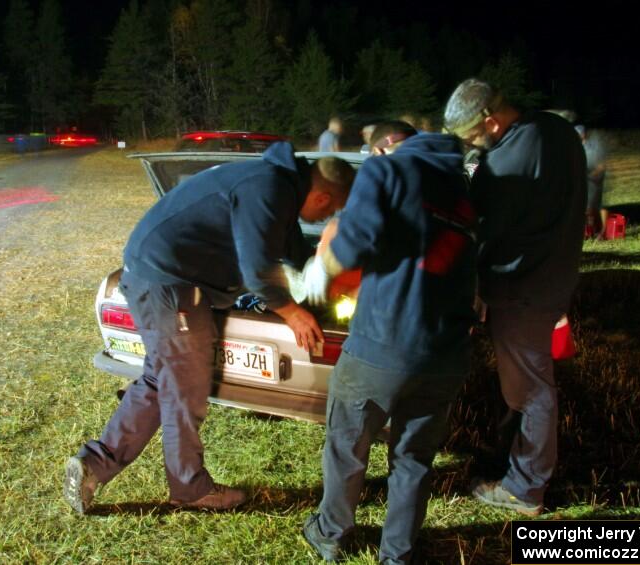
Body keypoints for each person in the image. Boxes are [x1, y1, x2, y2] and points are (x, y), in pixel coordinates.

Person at [63, 142, 355, 514]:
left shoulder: (277, 183)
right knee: (185, 388)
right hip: (170, 286)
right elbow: (256, 269)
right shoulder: (270, 188)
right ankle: (190, 489)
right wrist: (293, 313)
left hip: (159, 278)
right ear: (322, 195)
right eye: (328, 211)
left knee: (161, 380)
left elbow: (290, 247)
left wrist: (324, 272)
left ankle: (93, 466)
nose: (323, 218)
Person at [300, 121, 478, 563]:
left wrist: (322, 266)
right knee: (414, 459)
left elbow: (355, 242)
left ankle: (331, 532)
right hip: (446, 352)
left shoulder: (387, 171)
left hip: (381, 347)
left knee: (347, 444)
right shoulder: (465, 187)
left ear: (380, 150)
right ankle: (397, 554)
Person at [443, 79, 587, 516]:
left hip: (520, 287)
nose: (471, 145)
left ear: (490, 121)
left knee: (530, 388)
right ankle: (512, 458)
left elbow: (486, 229)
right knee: (524, 380)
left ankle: (525, 488)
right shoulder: (553, 129)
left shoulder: (509, 159)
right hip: (551, 277)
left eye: (472, 137)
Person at [575, 124, 608, 239]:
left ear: (582, 134)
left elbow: (601, 165)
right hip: (584, 181)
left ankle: (602, 231)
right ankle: (589, 230)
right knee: (586, 207)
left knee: (598, 206)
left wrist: (592, 175)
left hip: (594, 180)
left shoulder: (593, 147)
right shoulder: (577, 147)